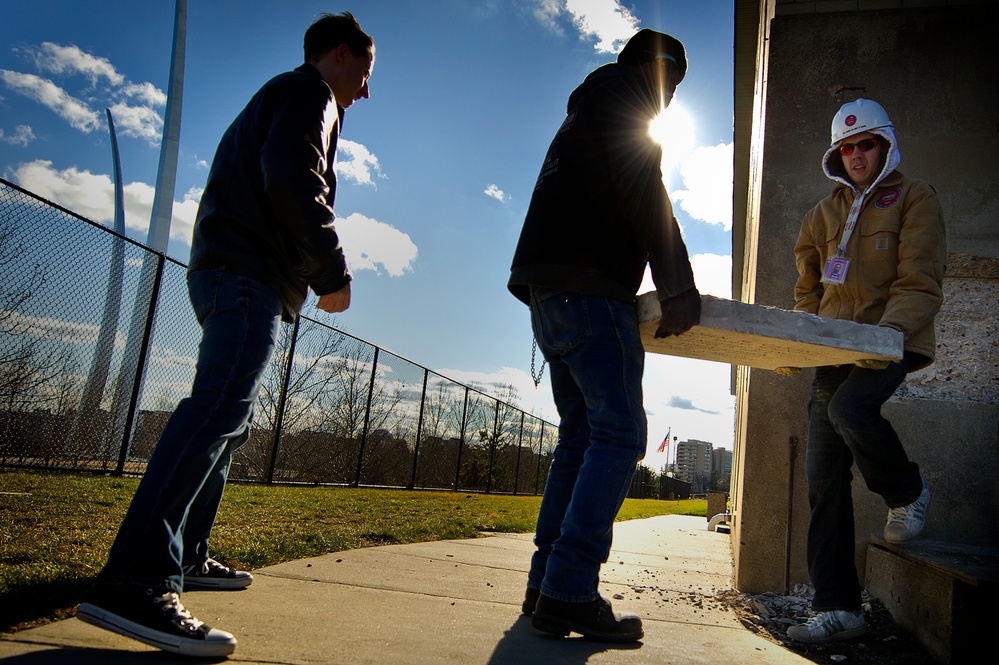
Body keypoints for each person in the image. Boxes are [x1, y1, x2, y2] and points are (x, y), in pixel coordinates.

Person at [77, 12, 374, 658]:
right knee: (215, 410)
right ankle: (135, 576)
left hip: (228, 272)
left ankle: (190, 552)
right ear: (341, 56)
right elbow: (293, 175)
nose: (365, 91)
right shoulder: (310, 94)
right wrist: (331, 266)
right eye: (365, 74)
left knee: (229, 421)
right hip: (246, 275)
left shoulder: (282, 93)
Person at [508, 28, 701, 643]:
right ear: (659, 71)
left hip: (548, 290)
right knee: (619, 435)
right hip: (590, 292)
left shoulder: (585, 108)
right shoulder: (626, 97)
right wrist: (678, 288)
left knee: (580, 438)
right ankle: (569, 589)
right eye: (673, 83)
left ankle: (545, 585)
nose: (670, 101)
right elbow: (649, 193)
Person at [784, 98, 946, 644]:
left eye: (866, 144)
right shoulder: (821, 214)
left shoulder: (915, 198)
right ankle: (839, 609)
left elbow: (920, 278)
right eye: (846, 148)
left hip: (889, 340)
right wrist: (805, 337)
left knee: (850, 407)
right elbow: (807, 281)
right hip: (833, 350)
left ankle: (907, 490)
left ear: (886, 144)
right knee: (822, 477)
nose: (856, 155)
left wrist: (888, 336)